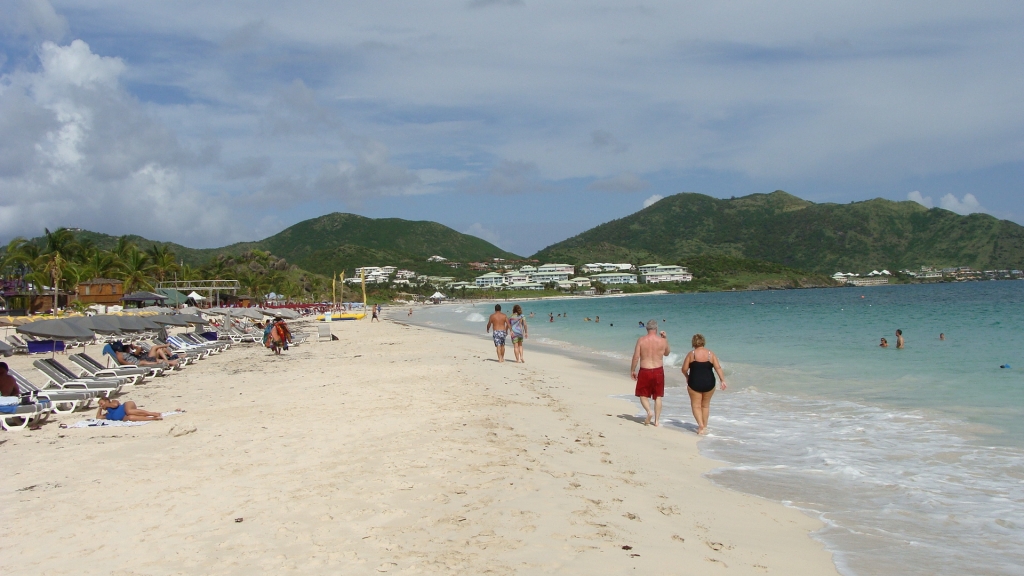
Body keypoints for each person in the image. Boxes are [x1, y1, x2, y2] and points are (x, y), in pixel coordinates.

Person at [681, 334, 727, 435]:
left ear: (693, 343)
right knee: (705, 406)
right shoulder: (710, 354)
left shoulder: (691, 354)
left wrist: (687, 376)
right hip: (709, 383)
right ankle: (704, 427)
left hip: (694, 382)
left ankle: (700, 425)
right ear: (703, 342)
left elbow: (684, 369)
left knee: (696, 406)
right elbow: (718, 368)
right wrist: (722, 380)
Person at [630, 320, 670, 427]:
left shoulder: (641, 340)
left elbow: (636, 357)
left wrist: (632, 370)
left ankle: (649, 411)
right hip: (658, 370)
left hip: (645, 370)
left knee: (643, 395)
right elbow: (667, 353)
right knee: (658, 396)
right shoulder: (662, 341)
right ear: (656, 329)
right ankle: (657, 421)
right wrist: (665, 338)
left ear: (646, 329)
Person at [96, 397, 167, 422]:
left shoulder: (113, 402)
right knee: (130, 417)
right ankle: (152, 419)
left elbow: (115, 405)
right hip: (125, 416)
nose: (101, 405)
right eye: (100, 405)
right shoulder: (108, 415)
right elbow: (98, 417)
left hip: (127, 406)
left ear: (107, 400)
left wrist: (106, 404)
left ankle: (152, 413)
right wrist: (100, 408)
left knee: (129, 411)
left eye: (101, 403)